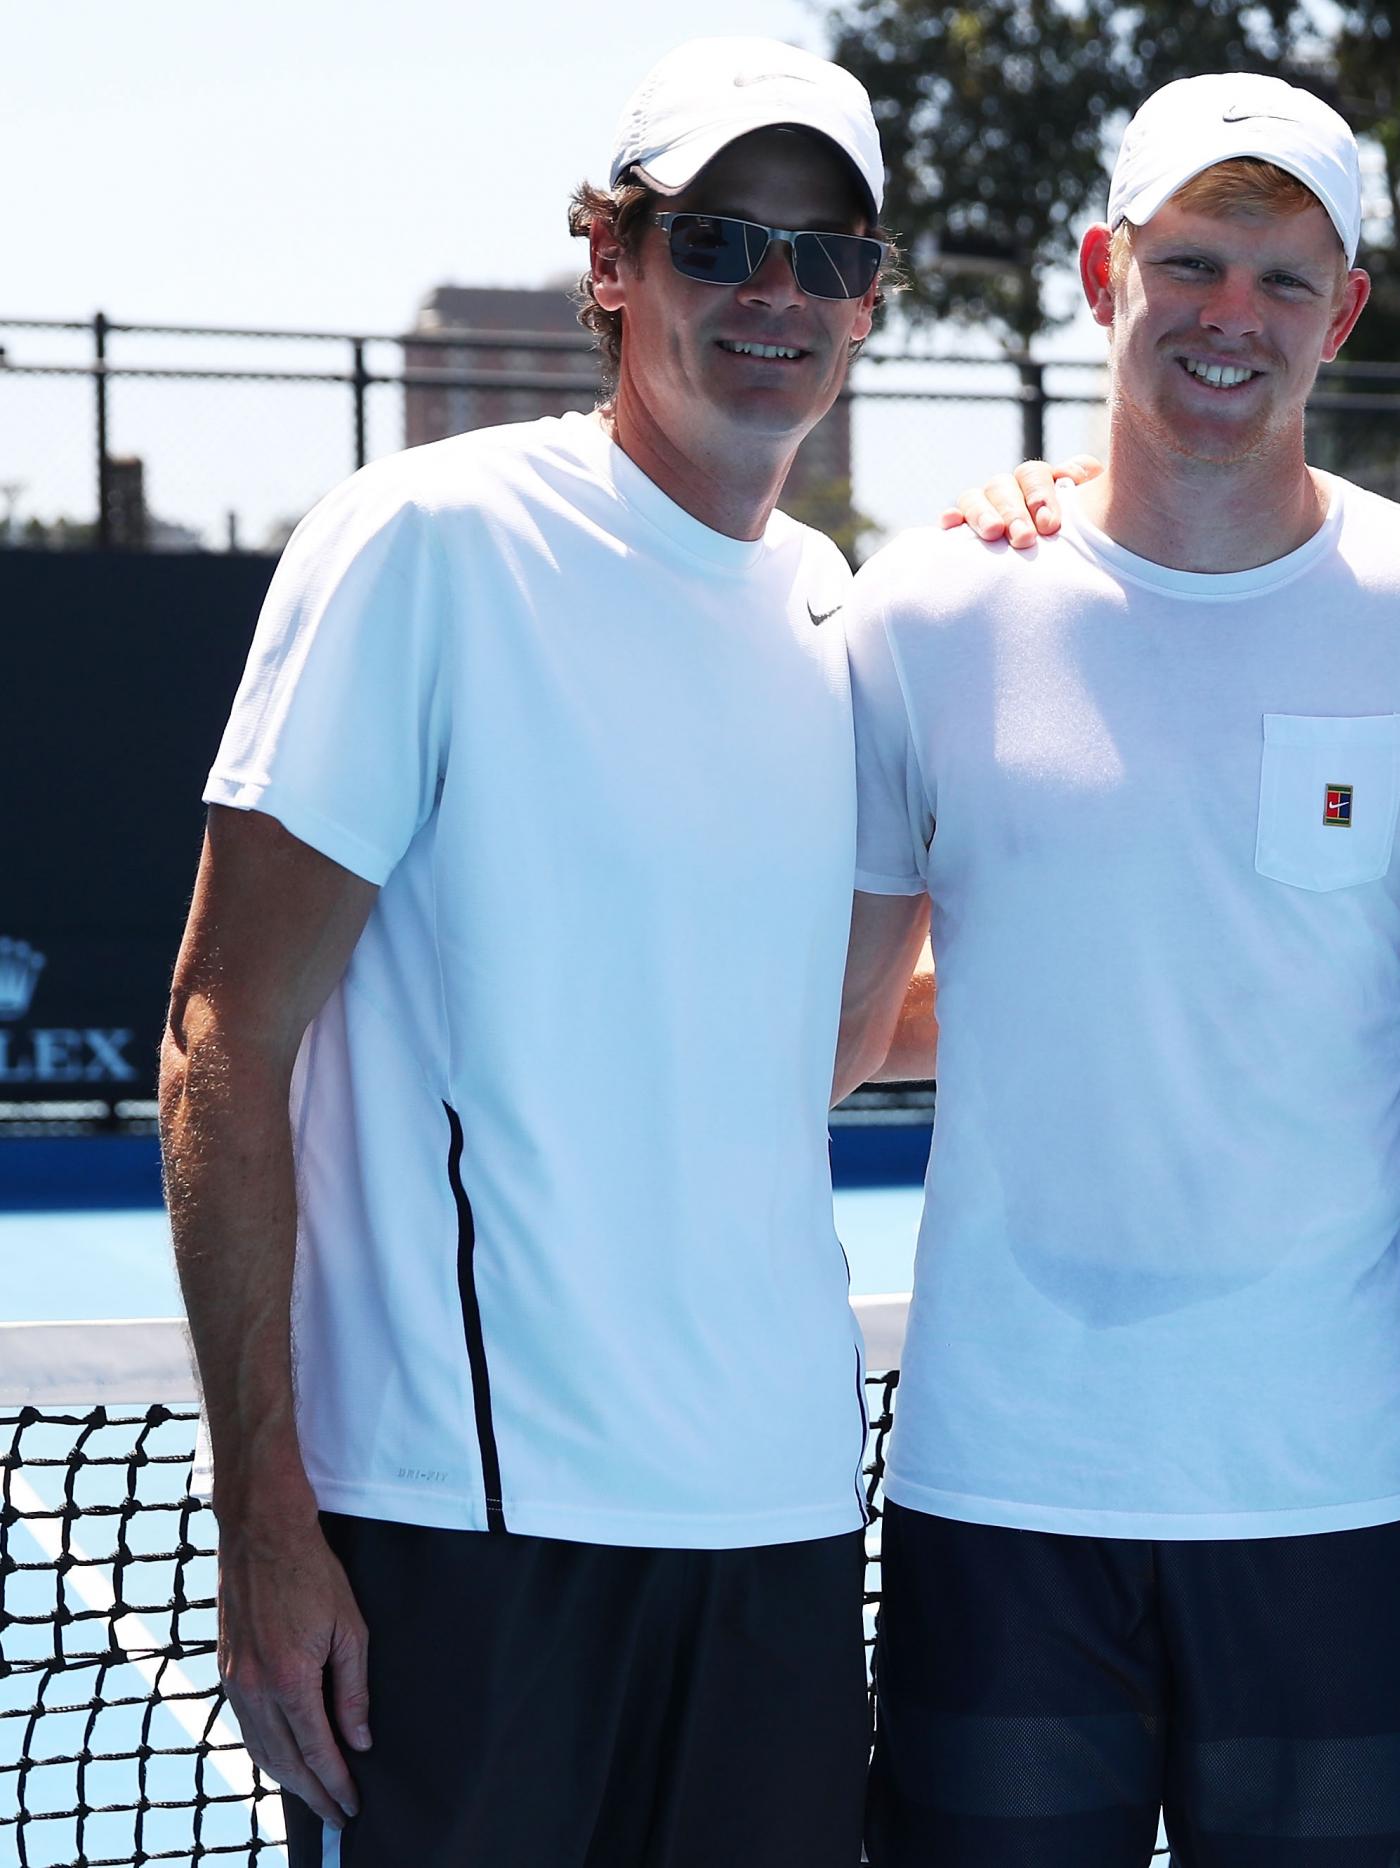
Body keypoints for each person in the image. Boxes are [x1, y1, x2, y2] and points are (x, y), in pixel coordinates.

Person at [160, 38, 915, 1865]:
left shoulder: (848, 615)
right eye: (724, 240)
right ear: (612, 261)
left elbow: (796, 1039)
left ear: (871, 303)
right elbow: (221, 1034)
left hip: (784, 1542)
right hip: (461, 1548)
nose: (775, 294)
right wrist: (264, 1512)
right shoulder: (426, 542)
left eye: (824, 256)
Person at [835, 72, 1400, 1868]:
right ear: (1103, 273)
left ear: (1346, 313)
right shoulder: (920, 610)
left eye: (1283, 277)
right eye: (1192, 263)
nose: (1232, 318)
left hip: (1334, 1498)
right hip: (1000, 1497)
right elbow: (841, 1024)